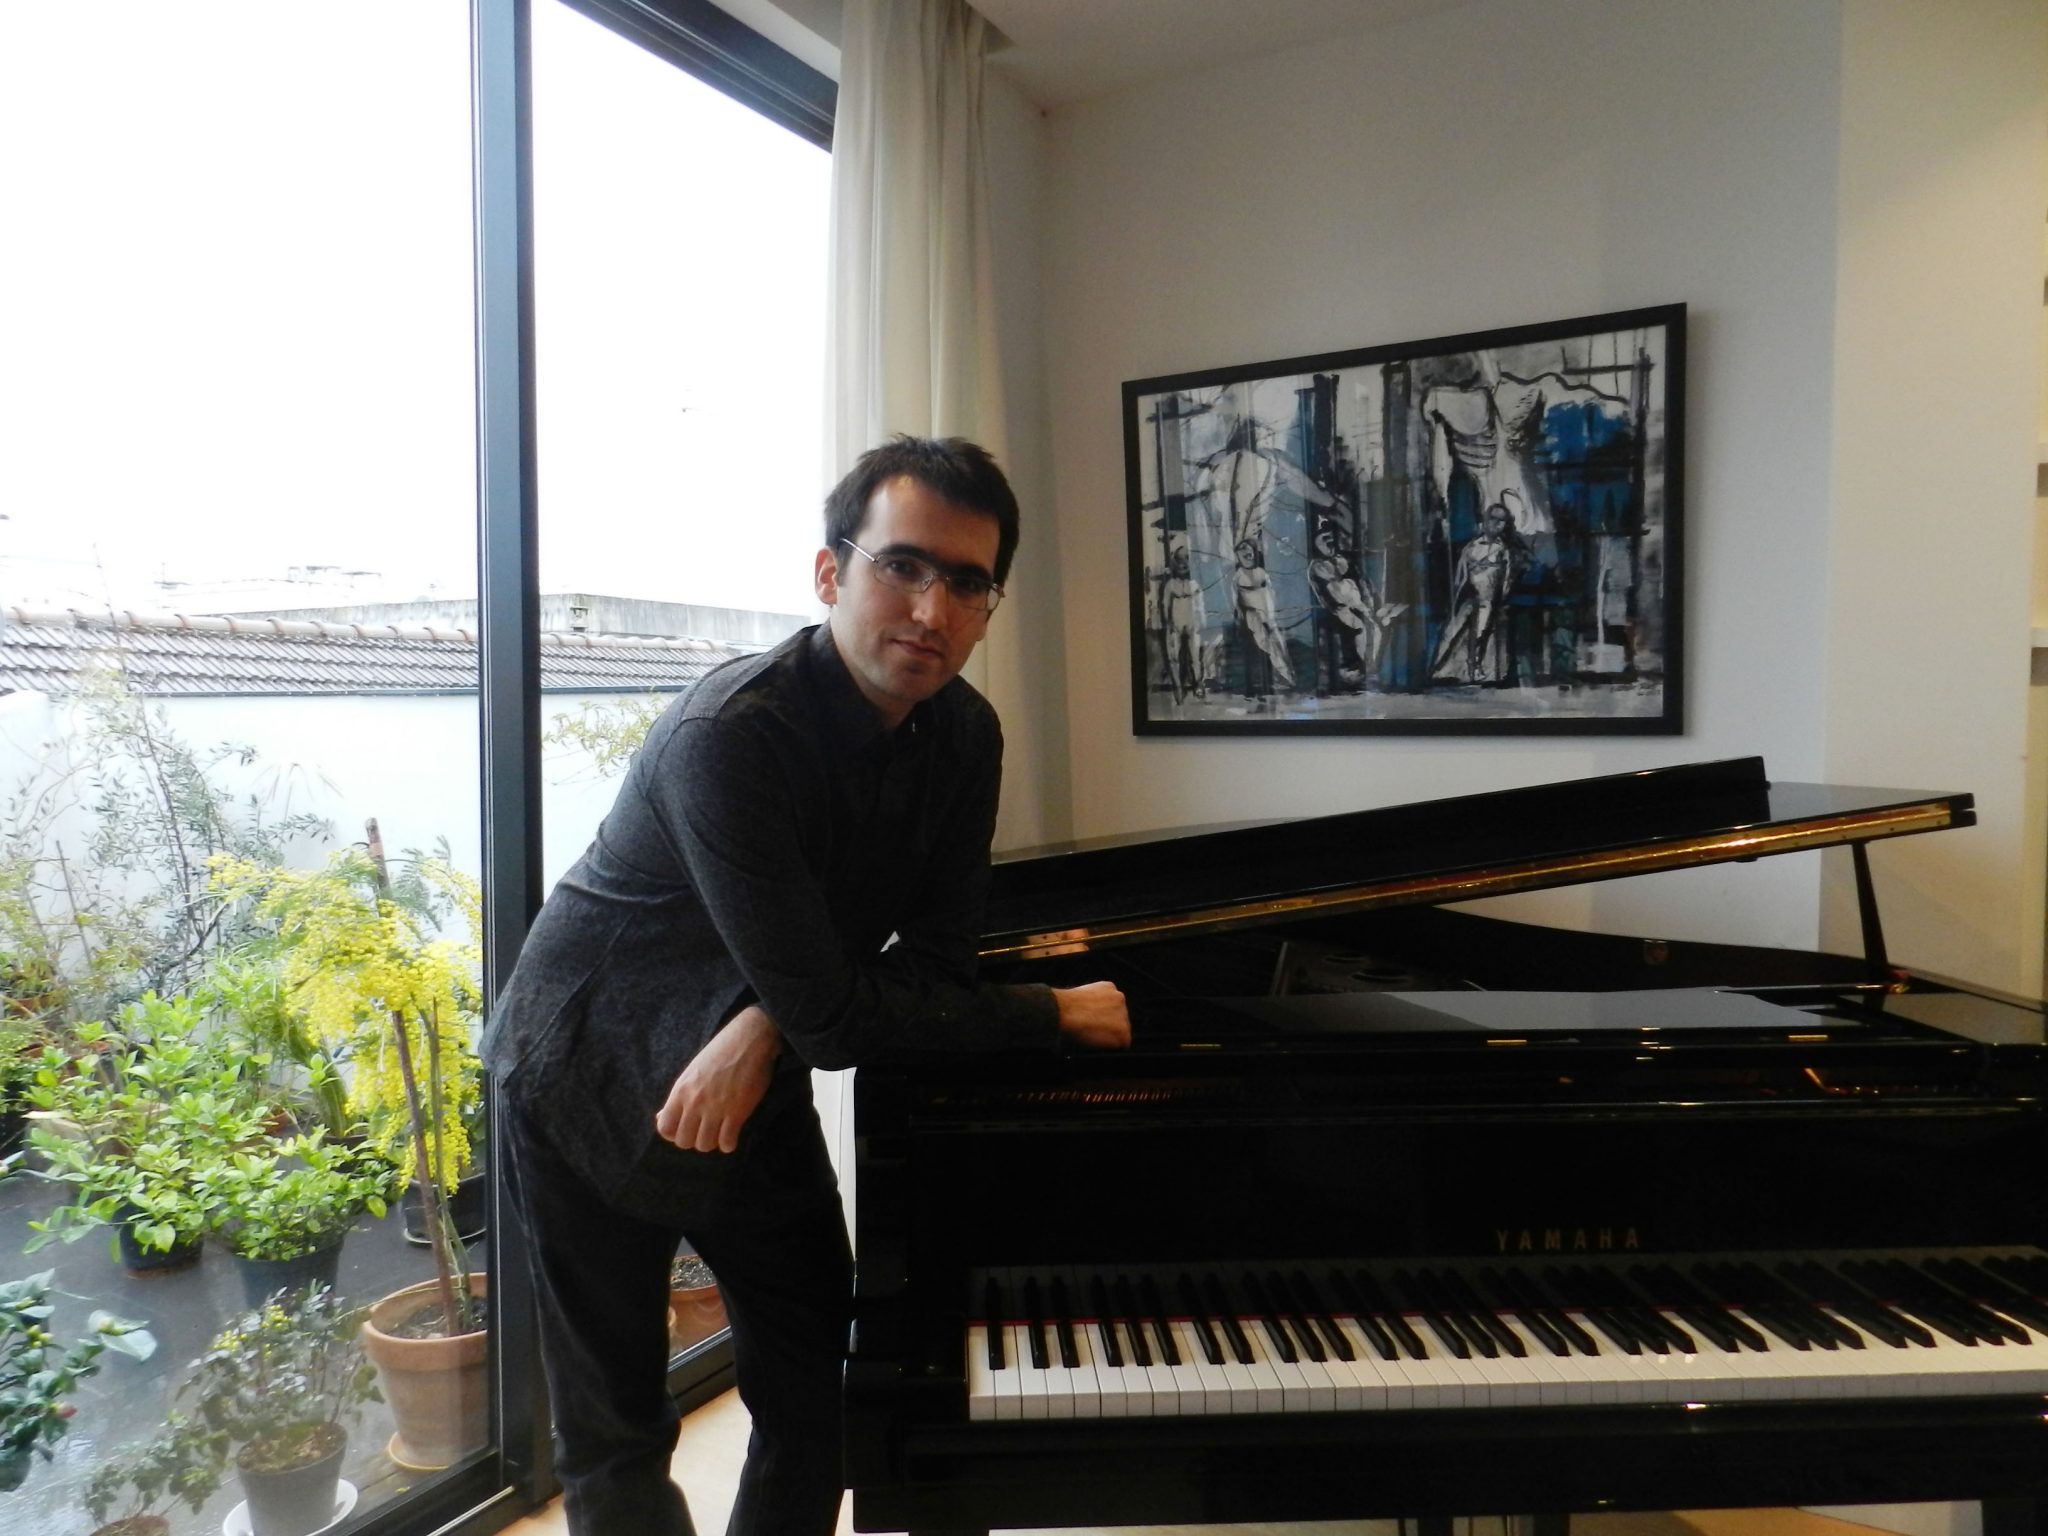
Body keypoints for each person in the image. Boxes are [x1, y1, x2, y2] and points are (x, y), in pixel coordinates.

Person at [483, 435, 1133, 1536]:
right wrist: (1046, 1013)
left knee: (823, 1390)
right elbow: (833, 1012)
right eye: (902, 566)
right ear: (830, 573)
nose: (930, 610)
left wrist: (762, 1029)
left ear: (987, 607)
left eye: (966, 582)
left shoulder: (964, 736)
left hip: (746, 1068)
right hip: (581, 1068)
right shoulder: (730, 737)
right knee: (616, 1435)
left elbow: (934, 961)